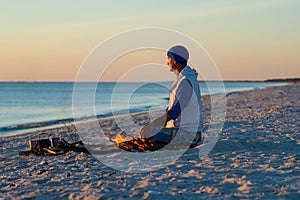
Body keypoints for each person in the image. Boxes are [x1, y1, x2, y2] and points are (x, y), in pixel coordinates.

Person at [140, 45, 203, 148]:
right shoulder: (185, 79)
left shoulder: (185, 81)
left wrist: (152, 126)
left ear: (174, 60)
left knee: (150, 132)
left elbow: (175, 111)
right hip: (187, 132)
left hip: (189, 135)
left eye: (168, 58)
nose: (167, 62)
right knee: (152, 129)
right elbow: (172, 109)